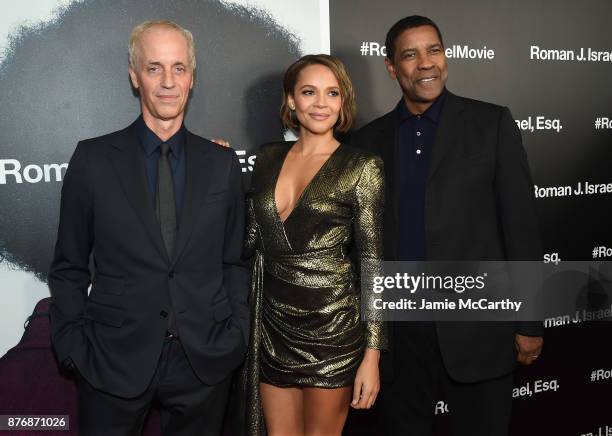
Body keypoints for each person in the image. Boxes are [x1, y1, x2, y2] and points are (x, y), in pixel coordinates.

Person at [48, 20, 249, 436]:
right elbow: (69, 266)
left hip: (204, 361)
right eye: (154, 68)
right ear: (134, 75)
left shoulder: (222, 164)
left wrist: (236, 335)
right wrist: (71, 345)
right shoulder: (93, 160)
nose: (168, 82)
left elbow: (235, 261)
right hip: (111, 359)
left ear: (192, 78)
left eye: (179, 68)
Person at [350, 15, 544, 436]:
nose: (425, 63)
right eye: (410, 54)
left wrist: (529, 322)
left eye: (433, 50)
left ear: (446, 56)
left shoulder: (490, 124)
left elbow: (522, 227)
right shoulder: (368, 142)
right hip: (401, 341)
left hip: (479, 332)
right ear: (391, 67)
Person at [241, 54, 387, 436]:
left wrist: (372, 356)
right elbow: (249, 239)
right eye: (309, 92)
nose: (321, 103)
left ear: (343, 103)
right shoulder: (266, 157)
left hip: (332, 327)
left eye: (332, 93)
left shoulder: (361, 166)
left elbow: (373, 262)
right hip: (273, 325)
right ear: (291, 100)